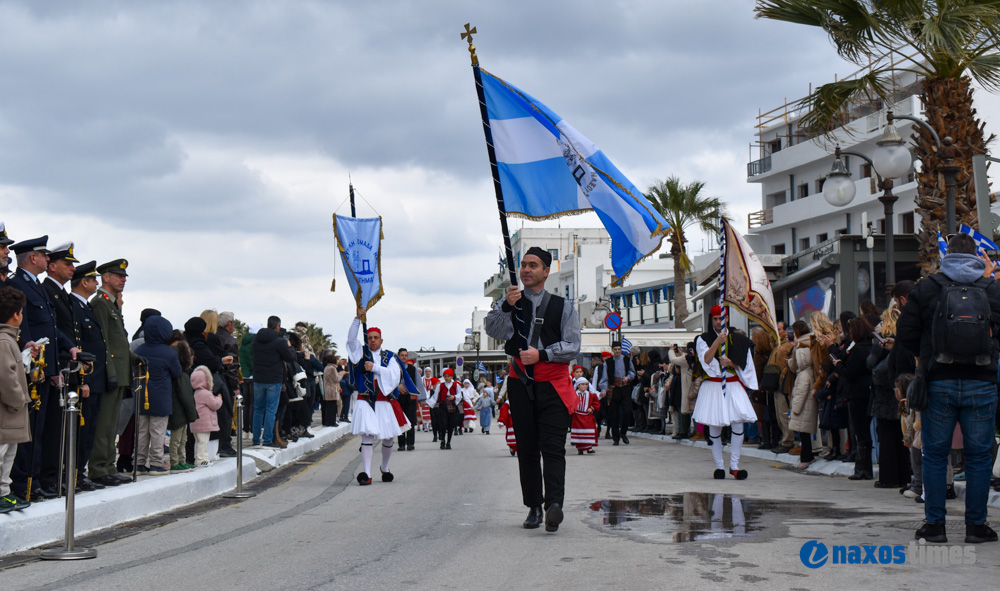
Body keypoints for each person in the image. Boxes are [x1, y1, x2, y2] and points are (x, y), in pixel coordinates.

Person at [897, 232, 1000, 544]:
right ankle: (976, 527)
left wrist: (925, 356)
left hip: (938, 379)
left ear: (947, 256)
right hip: (982, 382)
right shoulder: (991, 288)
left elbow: (906, 333)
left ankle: (935, 525)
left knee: (935, 455)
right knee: (980, 457)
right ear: (975, 256)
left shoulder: (928, 286)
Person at [484, 246, 581, 533]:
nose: (527, 269)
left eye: (533, 265)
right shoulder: (510, 301)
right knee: (526, 448)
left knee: (552, 448)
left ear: (546, 272)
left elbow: (573, 345)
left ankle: (554, 506)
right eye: (524, 265)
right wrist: (504, 306)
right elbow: (493, 330)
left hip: (553, 384)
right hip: (521, 383)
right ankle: (534, 506)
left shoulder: (563, 306)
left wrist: (544, 355)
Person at [7, 236, 80, 500]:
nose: (48, 259)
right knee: (29, 431)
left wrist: (69, 346)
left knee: (40, 431)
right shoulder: (17, 285)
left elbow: (50, 328)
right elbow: (23, 328)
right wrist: (28, 348)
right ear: (33, 258)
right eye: (44, 255)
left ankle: (34, 481)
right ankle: (25, 485)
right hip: (30, 368)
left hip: (45, 368)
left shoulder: (35, 286)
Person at [345, 306, 411, 484]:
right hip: (366, 400)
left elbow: (394, 375)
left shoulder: (389, 356)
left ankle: (385, 467)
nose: (372, 340)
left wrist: (374, 368)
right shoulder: (360, 352)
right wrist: (357, 318)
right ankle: (367, 473)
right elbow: (351, 340)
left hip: (383, 401)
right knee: (366, 436)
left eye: (375, 338)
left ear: (381, 340)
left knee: (388, 438)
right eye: (370, 338)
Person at [692, 305, 758, 479]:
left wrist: (731, 364)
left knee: (738, 423)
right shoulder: (702, 339)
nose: (719, 321)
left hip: (733, 384)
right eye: (715, 318)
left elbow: (747, 367)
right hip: (713, 385)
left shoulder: (740, 340)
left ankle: (734, 466)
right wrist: (716, 343)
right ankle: (719, 466)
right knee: (715, 424)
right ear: (710, 319)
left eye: (721, 318)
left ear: (727, 318)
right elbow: (705, 360)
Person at [88, 259, 137, 488]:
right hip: (111, 372)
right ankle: (99, 468)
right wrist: (109, 371)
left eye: (124, 276)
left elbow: (119, 341)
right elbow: (103, 341)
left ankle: (108, 465)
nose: (123, 279)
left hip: (120, 371)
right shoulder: (100, 303)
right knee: (104, 423)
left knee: (112, 424)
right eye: (118, 275)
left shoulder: (112, 304)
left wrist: (134, 359)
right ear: (105, 278)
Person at [68, 261, 112, 490]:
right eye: (94, 279)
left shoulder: (86, 307)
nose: (96, 283)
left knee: (90, 430)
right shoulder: (73, 306)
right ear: (83, 282)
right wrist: (81, 381)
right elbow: (79, 343)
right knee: (81, 430)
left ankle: (79, 472)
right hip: (86, 379)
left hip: (95, 379)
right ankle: (74, 473)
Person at [133, 315, 181, 475]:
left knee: (141, 431)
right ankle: (155, 463)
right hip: (161, 397)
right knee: (158, 431)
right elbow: (177, 372)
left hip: (141, 396)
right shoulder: (169, 353)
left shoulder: (140, 350)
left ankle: (139, 463)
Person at [0, 287, 32, 512]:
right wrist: (18, 399)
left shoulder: (9, 340)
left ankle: (4, 492)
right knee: (2, 453)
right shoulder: (4, 341)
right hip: (6, 411)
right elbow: (6, 376)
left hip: (10, 413)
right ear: (16, 314)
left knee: (8, 453)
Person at [251, 316, 296, 448]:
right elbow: (290, 357)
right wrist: (290, 347)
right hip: (273, 380)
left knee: (258, 409)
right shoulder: (279, 341)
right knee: (271, 410)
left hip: (258, 378)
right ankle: (267, 440)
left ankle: (255, 439)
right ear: (277, 326)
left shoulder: (256, 340)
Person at [787, 320, 817, 470]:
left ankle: (806, 456)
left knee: (802, 423)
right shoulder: (814, 341)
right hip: (814, 382)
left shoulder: (799, 346)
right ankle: (810, 453)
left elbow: (794, 366)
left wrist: (790, 361)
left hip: (803, 385)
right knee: (808, 423)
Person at [597, 341, 636, 446]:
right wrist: (604, 389)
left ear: (621, 349)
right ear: (613, 350)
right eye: (615, 349)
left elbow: (632, 372)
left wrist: (628, 377)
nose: (617, 351)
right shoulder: (608, 362)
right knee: (613, 414)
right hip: (614, 389)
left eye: (619, 349)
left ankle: (623, 433)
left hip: (625, 388)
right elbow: (604, 378)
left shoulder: (627, 360)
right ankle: (616, 437)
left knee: (627, 411)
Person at [190, 365, 223, 467]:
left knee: (198, 442)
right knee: (203, 442)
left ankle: (198, 458)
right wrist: (219, 399)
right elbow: (215, 405)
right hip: (204, 424)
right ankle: (202, 459)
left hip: (196, 423)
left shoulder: (196, 392)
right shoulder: (206, 393)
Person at [427, 368, 462, 449]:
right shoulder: (440, 385)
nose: (447, 378)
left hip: (452, 406)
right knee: (443, 424)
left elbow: (459, 395)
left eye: (448, 376)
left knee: (451, 425)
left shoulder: (456, 385)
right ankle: (442, 440)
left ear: (452, 377)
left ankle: (448, 442)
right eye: (445, 376)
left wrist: (454, 397)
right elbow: (435, 396)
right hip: (443, 406)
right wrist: (428, 402)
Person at [396, 348, 419, 450]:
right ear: (398, 356)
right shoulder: (394, 369)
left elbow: (418, 383)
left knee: (410, 421)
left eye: (406, 355)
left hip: (410, 399)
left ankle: (410, 443)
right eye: (402, 355)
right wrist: (398, 388)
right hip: (398, 398)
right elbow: (389, 382)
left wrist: (422, 399)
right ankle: (401, 444)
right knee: (400, 421)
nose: (404, 357)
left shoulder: (412, 369)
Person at [570, 377, 600, 455]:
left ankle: (589, 447)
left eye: (586, 384)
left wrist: (592, 408)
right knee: (579, 433)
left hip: (587, 416)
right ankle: (580, 449)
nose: (585, 386)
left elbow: (596, 403)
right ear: (578, 385)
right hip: (577, 416)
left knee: (588, 432)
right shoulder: (574, 394)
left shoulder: (591, 395)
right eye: (582, 384)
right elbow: (570, 403)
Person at [321, 352, 343, 427]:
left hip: (327, 389)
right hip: (332, 390)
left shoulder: (326, 368)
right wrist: (341, 374)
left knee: (329, 407)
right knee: (333, 407)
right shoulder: (332, 368)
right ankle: (332, 422)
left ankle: (328, 422)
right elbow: (336, 379)